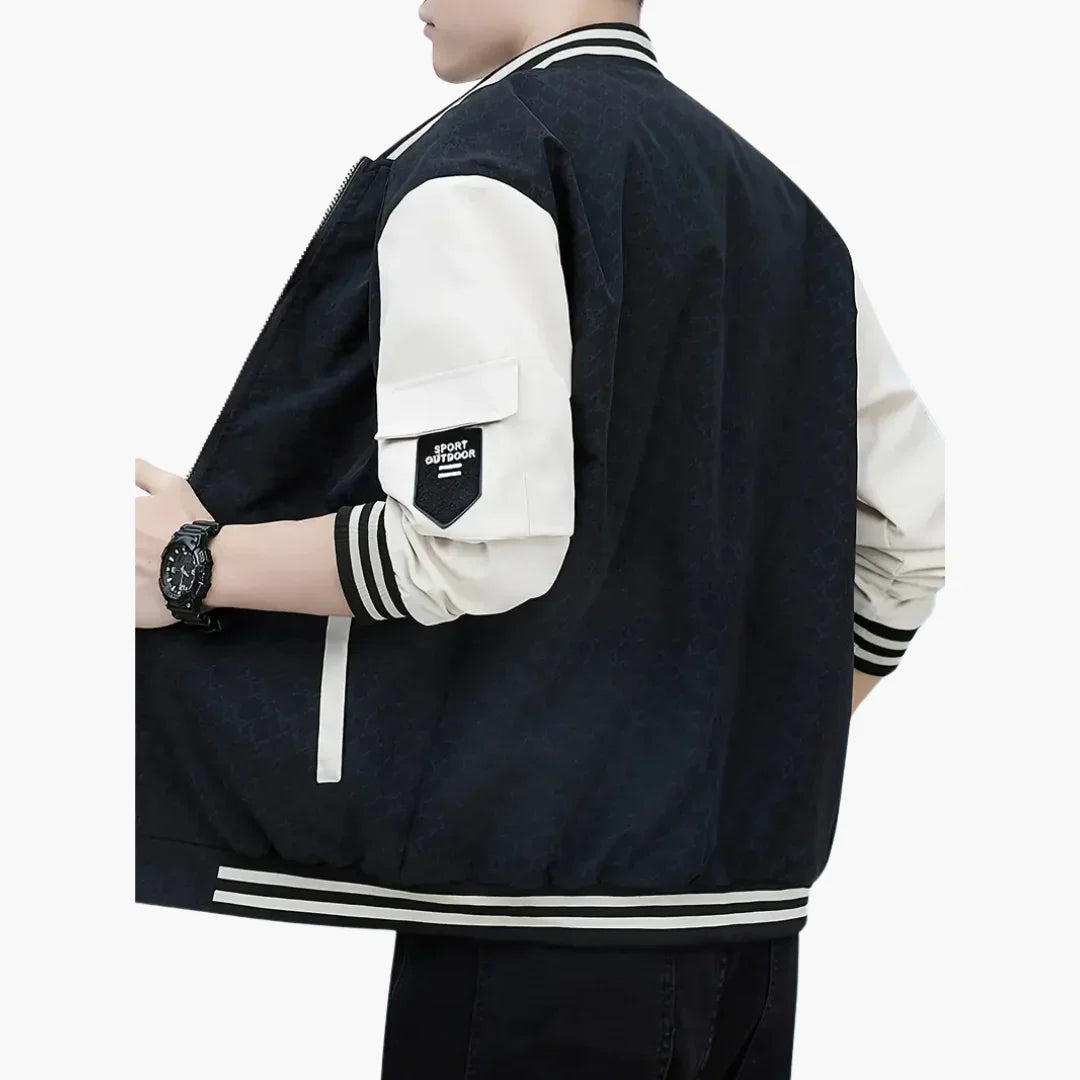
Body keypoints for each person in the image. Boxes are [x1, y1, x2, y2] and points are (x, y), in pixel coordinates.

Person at [134, 1, 946, 1076]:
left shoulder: (489, 164)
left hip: (533, 939)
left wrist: (192, 566)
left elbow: (469, 543)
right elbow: (907, 542)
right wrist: (736, 747)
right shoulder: (785, 212)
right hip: (746, 937)